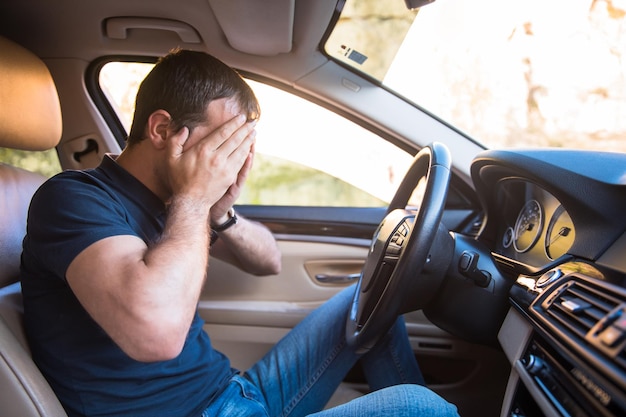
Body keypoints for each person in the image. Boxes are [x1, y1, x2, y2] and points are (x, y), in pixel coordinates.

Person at [20, 49, 458, 417]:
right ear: (161, 130)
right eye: (224, 143)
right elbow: (156, 334)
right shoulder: (74, 199)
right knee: (418, 406)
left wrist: (221, 213)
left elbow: (266, 261)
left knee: (372, 297)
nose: (233, 160)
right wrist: (193, 201)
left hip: (235, 392)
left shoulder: (176, 203)